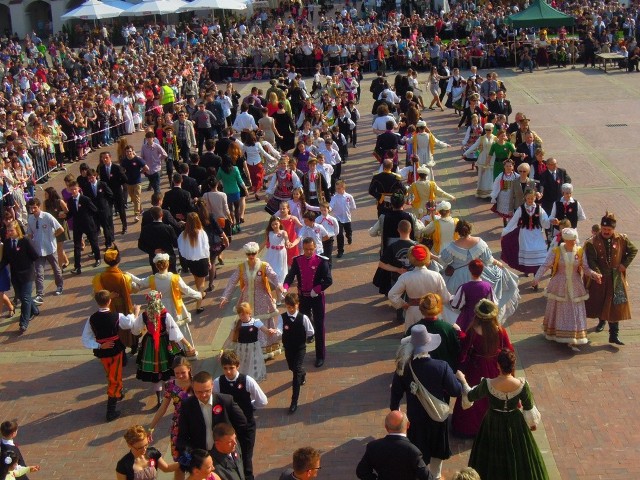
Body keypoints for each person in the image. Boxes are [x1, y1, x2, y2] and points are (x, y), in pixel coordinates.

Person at [457, 350, 550, 480]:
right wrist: (532, 424)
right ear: (513, 365)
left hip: (492, 421)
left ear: (498, 365)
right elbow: (528, 408)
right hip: (515, 422)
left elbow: (470, 395)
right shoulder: (522, 385)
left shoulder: (488, 384)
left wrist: (462, 380)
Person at [390, 325, 462, 480]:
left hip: (415, 419)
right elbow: (456, 391)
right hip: (437, 417)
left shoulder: (404, 368)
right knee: (437, 454)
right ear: (428, 346)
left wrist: (395, 413)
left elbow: (395, 394)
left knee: (418, 454)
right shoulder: (441, 366)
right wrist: (461, 381)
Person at [451, 299, 514, 438]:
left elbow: (464, 350)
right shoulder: (500, 330)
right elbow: (509, 350)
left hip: (476, 367)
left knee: (474, 395)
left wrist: (459, 334)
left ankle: (470, 428)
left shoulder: (474, 330)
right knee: (493, 395)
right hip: (494, 367)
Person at [532, 228, 602, 352]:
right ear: (565, 240)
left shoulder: (580, 251)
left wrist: (594, 274)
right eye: (571, 240)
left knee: (575, 310)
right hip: (559, 284)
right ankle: (557, 333)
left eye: (575, 240)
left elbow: (585, 268)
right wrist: (537, 278)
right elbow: (546, 265)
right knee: (560, 308)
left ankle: (573, 337)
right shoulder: (556, 251)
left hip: (575, 284)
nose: (574, 242)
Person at [129, 253, 202, 358]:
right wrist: (198, 295)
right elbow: (187, 290)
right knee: (181, 330)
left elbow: (140, 282)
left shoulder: (152, 279)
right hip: (175, 307)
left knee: (164, 331)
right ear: (168, 264)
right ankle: (189, 352)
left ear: (156, 266)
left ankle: (170, 354)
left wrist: (131, 276)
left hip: (159, 307)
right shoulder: (175, 278)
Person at [132, 290, 195, 409]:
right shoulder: (165, 314)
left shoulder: (144, 315)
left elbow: (135, 329)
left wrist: (135, 314)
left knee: (155, 370)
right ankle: (173, 392)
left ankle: (159, 398)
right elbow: (175, 332)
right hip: (165, 342)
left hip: (150, 344)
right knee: (168, 367)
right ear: (159, 299)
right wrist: (188, 345)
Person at [81, 290, 138, 422]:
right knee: (114, 377)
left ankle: (118, 393)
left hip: (103, 352)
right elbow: (129, 323)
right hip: (114, 349)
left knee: (111, 373)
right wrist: (135, 312)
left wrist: (99, 345)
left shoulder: (92, 318)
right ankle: (110, 411)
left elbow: (85, 339)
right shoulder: (116, 316)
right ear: (110, 301)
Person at [220, 242, 282, 358]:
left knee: (262, 322)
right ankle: (250, 348)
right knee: (247, 321)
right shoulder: (242, 267)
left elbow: (273, 276)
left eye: (253, 253)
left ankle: (265, 349)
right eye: (249, 254)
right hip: (247, 298)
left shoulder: (264, 265)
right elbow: (232, 281)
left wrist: (278, 285)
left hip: (262, 298)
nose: (251, 256)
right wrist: (225, 296)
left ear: (257, 252)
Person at [584, 212, 638, 345]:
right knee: (600, 302)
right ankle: (601, 321)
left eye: (608, 230)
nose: (606, 232)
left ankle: (614, 335)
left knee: (615, 305)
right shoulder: (592, 241)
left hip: (616, 278)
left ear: (613, 229)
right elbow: (591, 259)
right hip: (600, 279)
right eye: (604, 229)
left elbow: (633, 250)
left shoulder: (621, 239)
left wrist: (624, 264)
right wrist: (597, 273)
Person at [214, 351, 268, 480]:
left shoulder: (247, 381)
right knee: (230, 456)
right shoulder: (217, 382)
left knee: (246, 456)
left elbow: (263, 400)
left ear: (237, 366)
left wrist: (250, 407)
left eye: (231, 368)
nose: (228, 371)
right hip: (229, 427)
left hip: (246, 426)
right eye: (225, 368)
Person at [176, 371, 248, 461]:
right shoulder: (187, 405)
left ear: (212, 386)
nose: (203, 395)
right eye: (198, 392)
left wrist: (230, 441)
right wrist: (191, 454)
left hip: (225, 453)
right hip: (202, 456)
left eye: (207, 391)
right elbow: (183, 434)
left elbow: (242, 423)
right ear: (193, 388)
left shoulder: (226, 401)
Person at [283, 238, 332, 368]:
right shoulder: (297, 260)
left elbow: (328, 280)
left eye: (311, 249)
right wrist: (285, 286)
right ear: (302, 248)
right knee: (301, 325)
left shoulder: (322, 261)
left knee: (320, 325)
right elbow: (290, 275)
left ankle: (320, 355)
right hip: (302, 298)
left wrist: (317, 289)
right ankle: (300, 352)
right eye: (306, 249)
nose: (308, 252)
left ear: (315, 248)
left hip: (316, 297)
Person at [148, 356, 193, 476]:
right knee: (180, 462)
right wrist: (151, 427)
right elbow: (163, 408)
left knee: (198, 460)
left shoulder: (197, 383)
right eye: (177, 373)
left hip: (196, 424)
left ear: (189, 369)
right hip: (178, 426)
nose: (180, 376)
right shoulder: (171, 385)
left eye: (183, 372)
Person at [388, 245, 451, 330]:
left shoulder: (405, 277)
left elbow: (392, 295)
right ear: (427, 257)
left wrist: (403, 304)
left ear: (411, 259)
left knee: (414, 337)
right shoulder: (436, 276)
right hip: (433, 311)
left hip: (413, 311)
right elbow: (445, 298)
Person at [356, 410, 432, 480]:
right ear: (408, 425)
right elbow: (427, 478)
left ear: (386, 427)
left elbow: (361, 471)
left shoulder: (373, 447)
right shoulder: (413, 451)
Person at [275, 293, 315, 414]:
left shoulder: (303, 318)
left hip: (300, 348)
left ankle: (294, 402)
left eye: (293, 307)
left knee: (295, 372)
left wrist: (308, 338)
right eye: (288, 307)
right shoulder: (282, 318)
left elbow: (310, 331)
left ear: (297, 305)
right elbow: (279, 329)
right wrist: (275, 332)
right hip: (288, 348)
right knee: (292, 367)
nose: (291, 309)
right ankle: (302, 373)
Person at [404, 293, 462, 371]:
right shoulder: (448, 328)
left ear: (421, 309)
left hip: (421, 371)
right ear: (439, 308)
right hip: (445, 371)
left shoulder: (413, 330)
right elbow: (456, 351)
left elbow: (406, 352)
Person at [0, 221, 39, 334]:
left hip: (27, 274)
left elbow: (34, 256)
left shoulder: (25, 241)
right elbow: (5, 260)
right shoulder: (7, 243)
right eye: (8, 231)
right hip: (16, 275)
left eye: (12, 230)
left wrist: (27, 265)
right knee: (21, 297)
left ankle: (23, 323)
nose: (9, 233)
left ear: (17, 230)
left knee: (25, 297)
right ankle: (35, 310)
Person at [501, 189, 550, 276]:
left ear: (535, 198)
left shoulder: (539, 208)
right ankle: (527, 269)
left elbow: (544, 221)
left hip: (536, 234)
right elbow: (513, 221)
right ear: (525, 198)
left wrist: (549, 221)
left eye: (532, 198)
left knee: (537, 250)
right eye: (528, 198)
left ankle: (536, 274)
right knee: (527, 251)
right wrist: (505, 232)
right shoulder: (521, 209)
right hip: (525, 234)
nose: (530, 200)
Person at [25, 197, 64, 303]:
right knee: (39, 272)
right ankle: (39, 294)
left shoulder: (47, 216)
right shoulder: (30, 219)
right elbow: (30, 233)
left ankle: (59, 286)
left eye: (34, 208)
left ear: (39, 206)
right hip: (38, 250)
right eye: (31, 208)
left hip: (50, 248)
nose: (32, 210)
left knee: (56, 268)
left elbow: (60, 229)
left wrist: (52, 237)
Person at [64, 180, 101, 275]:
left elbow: (94, 210)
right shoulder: (70, 201)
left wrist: (89, 218)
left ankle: (98, 258)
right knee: (77, 246)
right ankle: (77, 267)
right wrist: (65, 216)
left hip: (88, 224)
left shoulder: (85, 199)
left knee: (93, 242)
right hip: (77, 226)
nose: (73, 191)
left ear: (78, 189)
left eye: (74, 189)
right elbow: (71, 213)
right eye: (71, 190)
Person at [450, 260, 496, 332]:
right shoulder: (488, 286)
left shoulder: (464, 287)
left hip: (467, 319)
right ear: (482, 270)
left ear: (470, 270)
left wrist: (452, 297)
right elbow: (493, 303)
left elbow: (455, 305)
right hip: (483, 319)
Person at [178, 213, 210, 314]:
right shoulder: (201, 233)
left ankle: (200, 294)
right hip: (202, 260)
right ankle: (198, 305)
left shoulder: (183, 234)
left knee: (196, 279)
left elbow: (181, 249)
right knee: (202, 284)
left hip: (190, 261)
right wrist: (209, 260)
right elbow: (206, 248)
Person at [138, 206, 179, 273]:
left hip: (155, 258)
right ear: (162, 215)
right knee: (172, 278)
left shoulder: (145, 229)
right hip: (168, 257)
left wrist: (153, 251)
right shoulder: (168, 228)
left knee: (157, 278)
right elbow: (175, 244)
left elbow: (140, 245)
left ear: (152, 216)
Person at [98, 151, 128, 235]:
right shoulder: (101, 168)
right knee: (109, 211)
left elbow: (125, 179)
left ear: (110, 157)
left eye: (106, 158)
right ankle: (111, 229)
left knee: (121, 210)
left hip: (117, 192)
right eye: (103, 158)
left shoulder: (116, 167)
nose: (104, 159)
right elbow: (103, 181)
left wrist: (118, 184)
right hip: (108, 194)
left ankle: (124, 226)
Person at [84, 168, 115, 248]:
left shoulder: (102, 184)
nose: (91, 179)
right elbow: (87, 200)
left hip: (104, 210)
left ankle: (108, 243)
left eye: (92, 177)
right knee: (94, 230)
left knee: (106, 227)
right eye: (89, 178)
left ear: (96, 176)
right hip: (94, 212)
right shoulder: (87, 187)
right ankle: (94, 248)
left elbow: (110, 194)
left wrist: (107, 205)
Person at [120, 145, 150, 223]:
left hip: (137, 182)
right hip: (129, 183)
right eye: (127, 152)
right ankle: (141, 209)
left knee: (136, 198)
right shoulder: (124, 161)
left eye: (130, 151)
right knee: (133, 199)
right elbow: (122, 170)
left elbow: (146, 168)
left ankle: (136, 215)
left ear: (133, 151)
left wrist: (140, 172)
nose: (129, 153)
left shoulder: (137, 159)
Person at [329, 180, 356, 259]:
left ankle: (349, 236)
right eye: (336, 188)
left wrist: (348, 212)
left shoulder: (349, 196)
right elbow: (331, 205)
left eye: (339, 188)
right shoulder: (334, 197)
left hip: (347, 218)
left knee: (348, 231)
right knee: (339, 234)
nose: (337, 190)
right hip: (338, 218)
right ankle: (340, 250)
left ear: (343, 188)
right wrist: (329, 209)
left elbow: (353, 206)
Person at [261, 216, 290, 287]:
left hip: (280, 253)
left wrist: (287, 242)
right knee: (271, 266)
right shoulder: (270, 233)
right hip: (271, 252)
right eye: (272, 224)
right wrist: (257, 251)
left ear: (279, 223)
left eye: (276, 224)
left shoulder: (283, 232)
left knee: (280, 268)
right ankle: (273, 280)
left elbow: (286, 238)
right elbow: (265, 242)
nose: (275, 226)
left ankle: (279, 282)